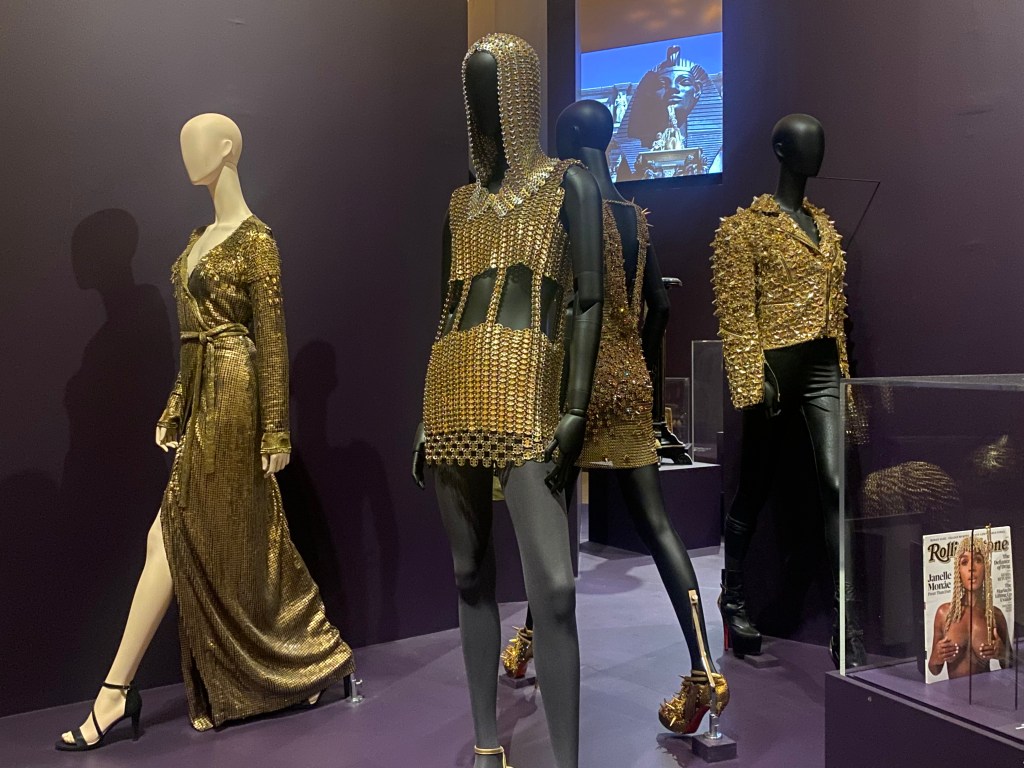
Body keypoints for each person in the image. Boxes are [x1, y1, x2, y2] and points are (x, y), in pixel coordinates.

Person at [56, 113, 353, 752]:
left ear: (227, 149)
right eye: (182, 140)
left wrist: (276, 430)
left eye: (198, 140)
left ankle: (114, 693)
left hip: (237, 396)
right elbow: (191, 341)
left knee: (168, 535)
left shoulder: (256, 240)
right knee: (186, 540)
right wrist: (175, 407)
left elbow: (272, 338)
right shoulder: (198, 238)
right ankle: (306, 657)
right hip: (203, 393)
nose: (186, 151)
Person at [927, 536, 1009, 679]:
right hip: (953, 692)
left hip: (987, 690)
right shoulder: (944, 613)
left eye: (978, 560)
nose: (971, 568)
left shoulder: (994, 615)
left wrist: (1003, 654)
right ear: (958, 570)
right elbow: (934, 669)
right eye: (964, 562)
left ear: (986, 568)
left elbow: (1011, 664)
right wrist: (938, 656)